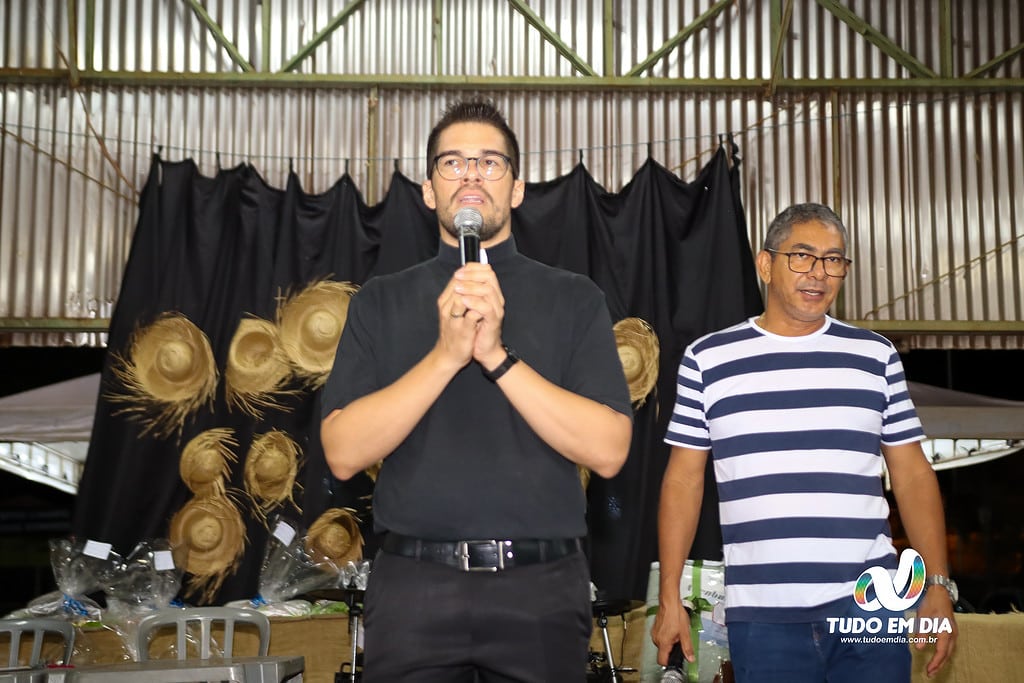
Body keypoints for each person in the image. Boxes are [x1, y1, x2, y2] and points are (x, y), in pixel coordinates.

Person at [320, 99, 633, 682]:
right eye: (452, 163)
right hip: (415, 588)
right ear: (427, 189)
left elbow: (610, 449)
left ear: (516, 187)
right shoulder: (381, 300)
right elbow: (341, 451)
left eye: (490, 163)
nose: (470, 175)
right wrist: (445, 356)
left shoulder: (573, 298)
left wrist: (495, 355)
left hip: (540, 590)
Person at [651, 203, 957, 682]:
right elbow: (683, 479)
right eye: (802, 256)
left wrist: (937, 584)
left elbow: (913, 473)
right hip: (764, 614)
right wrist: (669, 595)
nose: (819, 273)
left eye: (834, 260)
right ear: (765, 264)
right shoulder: (707, 359)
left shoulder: (874, 357)